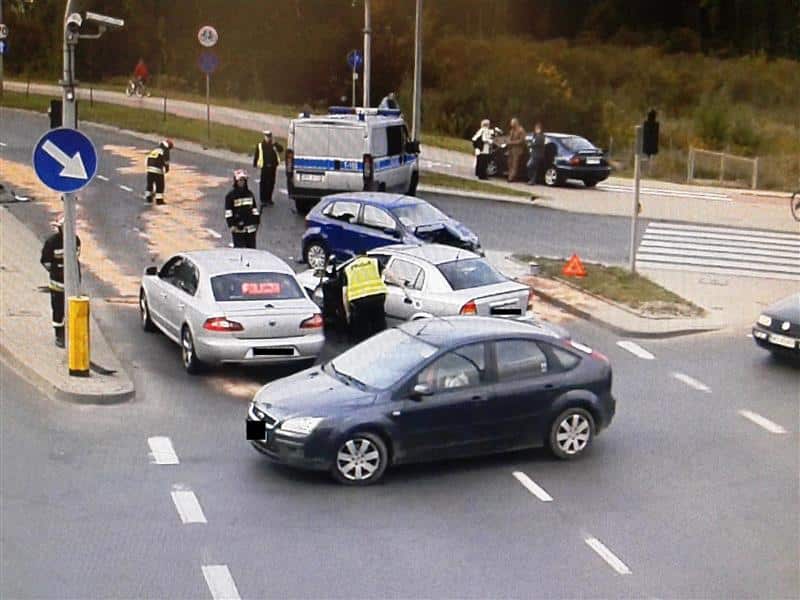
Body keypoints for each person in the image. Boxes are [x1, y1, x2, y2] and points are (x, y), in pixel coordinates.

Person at [40, 214, 81, 348]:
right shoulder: (51, 243)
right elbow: (45, 261)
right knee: (58, 309)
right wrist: (57, 271)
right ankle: (59, 335)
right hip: (58, 283)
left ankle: (73, 332)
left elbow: (75, 258)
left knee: (73, 307)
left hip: (73, 282)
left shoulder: (75, 240)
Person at [342, 255, 387, 341]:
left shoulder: (348, 269)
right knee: (379, 329)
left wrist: (347, 313)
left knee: (362, 332)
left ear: (354, 256)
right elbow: (389, 274)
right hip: (377, 299)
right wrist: (402, 286)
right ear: (366, 254)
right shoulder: (374, 262)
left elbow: (344, 294)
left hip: (359, 303)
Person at [225, 169, 260, 248]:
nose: (242, 182)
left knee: (251, 251)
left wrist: (257, 221)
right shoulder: (230, 196)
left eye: (243, 180)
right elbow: (228, 213)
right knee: (240, 252)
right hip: (238, 230)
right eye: (240, 180)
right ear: (236, 181)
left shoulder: (250, 194)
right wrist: (232, 225)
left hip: (250, 229)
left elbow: (254, 209)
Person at [252, 130, 283, 208]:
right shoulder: (260, 145)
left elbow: (281, 150)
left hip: (272, 167)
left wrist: (275, 143)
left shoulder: (274, 145)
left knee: (271, 183)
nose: (268, 138)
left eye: (269, 137)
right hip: (264, 167)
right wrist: (255, 164)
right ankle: (263, 200)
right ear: (264, 137)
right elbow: (257, 155)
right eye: (267, 137)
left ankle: (269, 199)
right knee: (263, 184)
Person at [144, 139, 172, 205]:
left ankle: (148, 197)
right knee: (160, 185)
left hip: (149, 169)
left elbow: (148, 158)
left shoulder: (155, 150)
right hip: (157, 170)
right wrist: (167, 168)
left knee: (150, 184)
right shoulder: (165, 150)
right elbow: (166, 161)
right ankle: (159, 200)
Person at [506, 118, 528, 182]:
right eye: (511, 123)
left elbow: (522, 141)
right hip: (511, 149)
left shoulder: (521, 130)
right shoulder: (512, 130)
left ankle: (511, 177)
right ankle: (510, 175)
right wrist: (508, 141)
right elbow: (510, 138)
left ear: (516, 123)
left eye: (512, 123)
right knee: (509, 163)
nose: (511, 124)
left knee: (515, 164)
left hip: (517, 149)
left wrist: (512, 142)